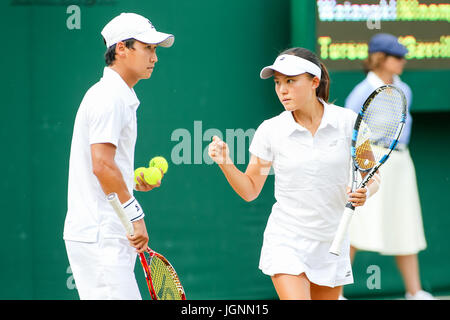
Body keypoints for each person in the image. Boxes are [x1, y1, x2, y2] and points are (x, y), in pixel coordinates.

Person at [208, 47, 379, 300]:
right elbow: (250, 189)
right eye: (277, 83)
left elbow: (372, 176)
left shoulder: (349, 122)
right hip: (287, 240)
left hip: (332, 241)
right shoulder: (270, 130)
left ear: (314, 82)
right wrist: (226, 163)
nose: (282, 90)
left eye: (290, 81)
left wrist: (365, 192)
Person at [63, 13, 174, 300]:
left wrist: (130, 179)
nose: (155, 57)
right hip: (101, 234)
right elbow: (101, 165)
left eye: (155, 49)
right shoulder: (109, 97)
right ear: (122, 49)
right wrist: (135, 215)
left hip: (104, 233)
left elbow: (103, 165)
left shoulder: (116, 95)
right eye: (148, 48)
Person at [342, 33, 433, 300]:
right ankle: (334, 293)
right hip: (369, 161)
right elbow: (352, 130)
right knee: (355, 226)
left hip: (401, 162)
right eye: (397, 56)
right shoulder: (361, 92)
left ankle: (414, 292)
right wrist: (363, 165)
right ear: (380, 59)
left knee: (406, 224)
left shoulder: (405, 90)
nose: (403, 61)